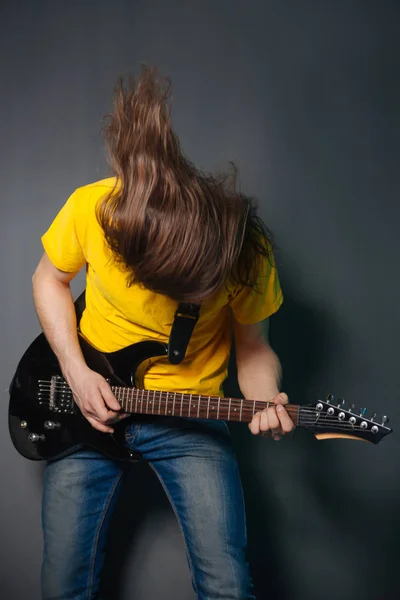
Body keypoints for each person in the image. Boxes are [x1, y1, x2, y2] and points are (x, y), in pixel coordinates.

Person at [32, 66, 294, 600]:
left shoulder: (246, 251)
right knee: (62, 586)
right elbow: (49, 279)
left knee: (228, 583)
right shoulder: (93, 208)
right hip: (86, 409)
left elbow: (254, 346)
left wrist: (265, 400)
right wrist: (76, 374)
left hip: (191, 420)